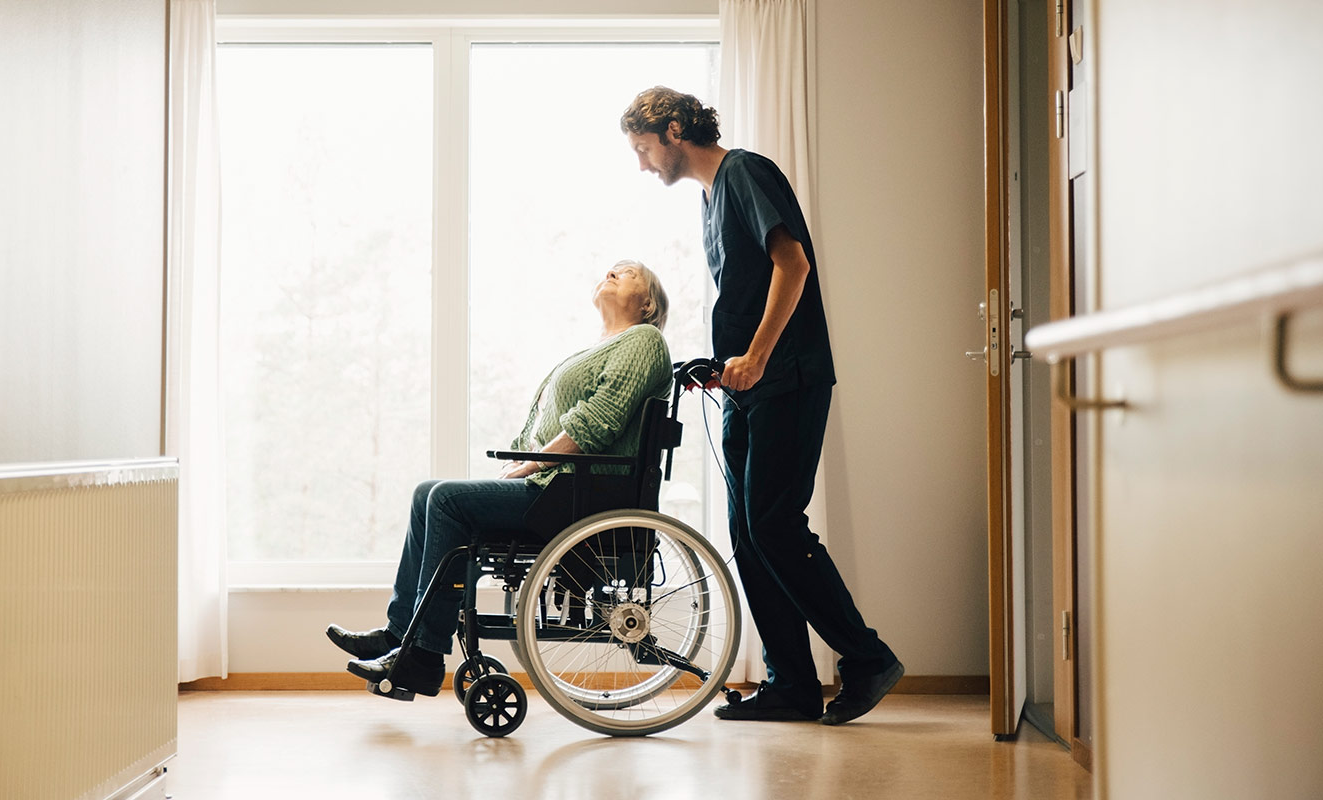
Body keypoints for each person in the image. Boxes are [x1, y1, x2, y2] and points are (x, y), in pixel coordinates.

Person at [620, 87, 902, 725]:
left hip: (789, 378)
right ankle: (792, 685)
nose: (642, 165)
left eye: (642, 149)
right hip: (749, 385)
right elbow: (746, 295)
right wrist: (723, 367)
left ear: (672, 129)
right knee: (749, 533)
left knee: (774, 522)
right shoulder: (709, 199)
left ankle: (866, 658)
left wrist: (760, 357)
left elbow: (793, 264)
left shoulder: (744, 170)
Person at [326, 260, 672, 697]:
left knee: (446, 499)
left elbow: (599, 420)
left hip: (580, 495)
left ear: (646, 304)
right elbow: (544, 422)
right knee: (426, 493)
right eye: (611, 268)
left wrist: (530, 464)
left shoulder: (644, 340)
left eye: (627, 273)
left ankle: (423, 656)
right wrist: (520, 462)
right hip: (559, 486)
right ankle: (400, 635)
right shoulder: (599, 347)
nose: (612, 271)